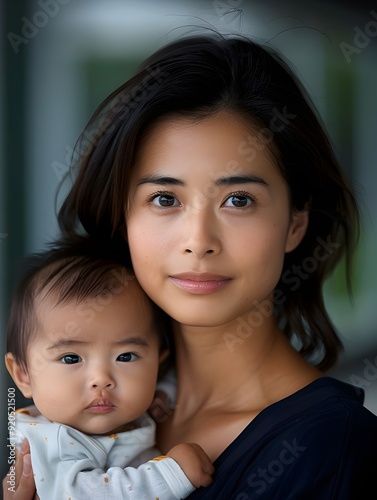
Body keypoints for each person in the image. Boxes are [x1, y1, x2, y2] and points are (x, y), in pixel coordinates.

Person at [5, 32, 377, 499]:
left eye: (239, 200)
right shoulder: (83, 403)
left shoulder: (333, 449)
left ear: (295, 222)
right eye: (164, 199)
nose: (198, 242)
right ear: (123, 218)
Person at [4, 241, 214, 499]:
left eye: (125, 357)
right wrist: (172, 474)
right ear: (23, 374)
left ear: (158, 365)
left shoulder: (145, 400)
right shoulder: (52, 441)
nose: (101, 380)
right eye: (71, 358)